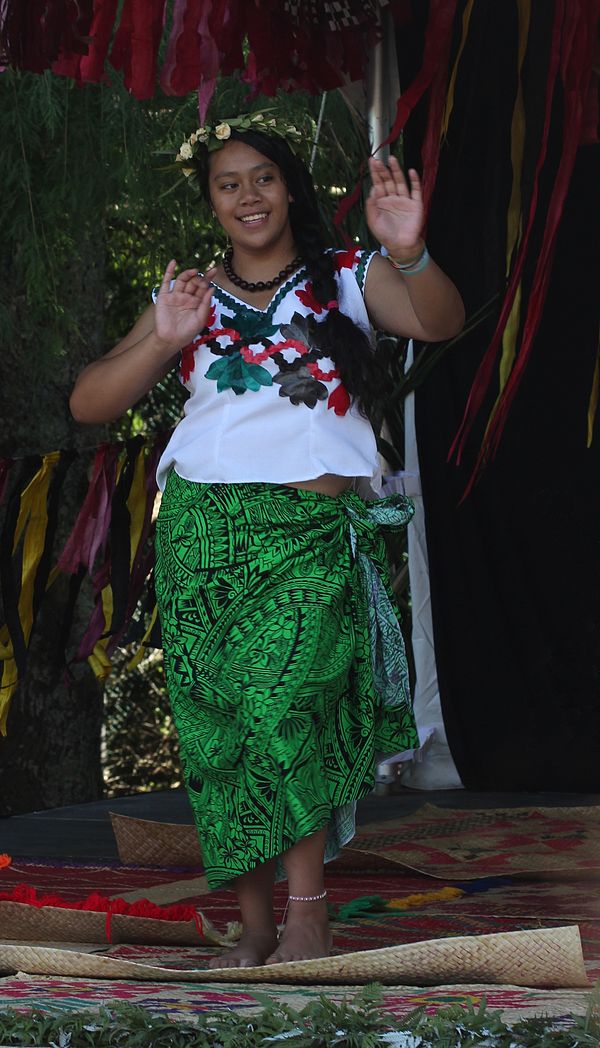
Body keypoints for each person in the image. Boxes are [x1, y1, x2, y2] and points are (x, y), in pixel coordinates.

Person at [70, 113, 464, 969]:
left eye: (263, 179)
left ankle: (309, 915)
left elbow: (439, 321)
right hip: (203, 532)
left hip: (306, 531)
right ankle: (253, 927)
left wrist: (409, 250)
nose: (248, 196)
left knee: (290, 711)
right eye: (228, 184)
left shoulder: (350, 278)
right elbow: (90, 402)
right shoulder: (189, 297)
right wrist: (165, 340)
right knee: (222, 733)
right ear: (211, 202)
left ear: (290, 188)